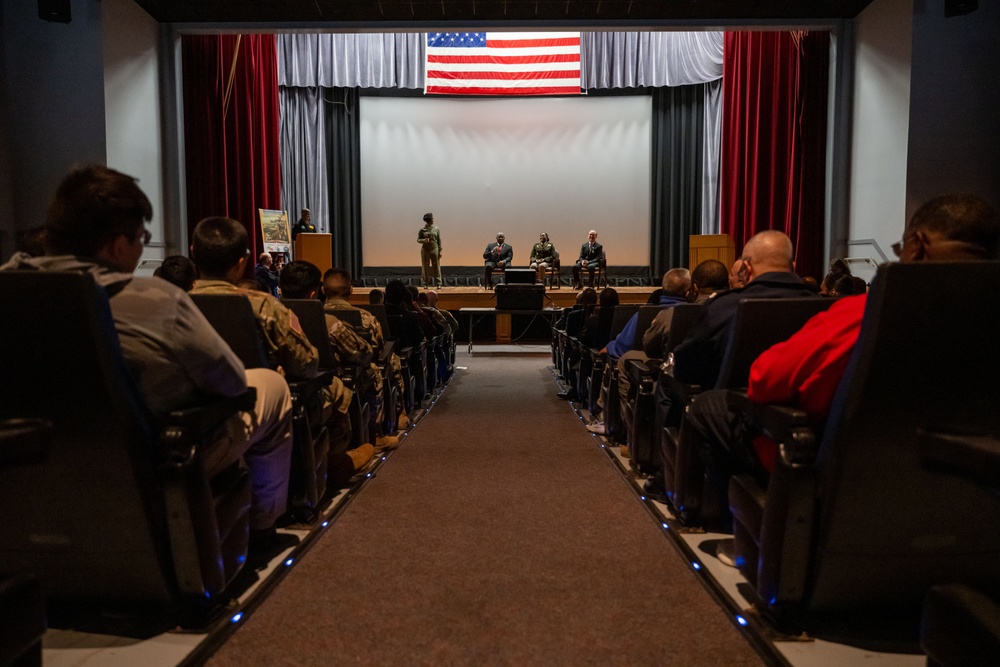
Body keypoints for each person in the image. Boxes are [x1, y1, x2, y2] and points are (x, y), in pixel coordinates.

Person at [680, 194, 1000, 565]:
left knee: (708, 407)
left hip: (827, 471)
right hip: (967, 499)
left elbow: (765, 381)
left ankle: (757, 541)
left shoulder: (865, 314)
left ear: (917, 246)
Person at [1, 164, 296, 558]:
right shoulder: (155, 302)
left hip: (29, 463)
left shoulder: (10, 294)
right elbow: (230, 384)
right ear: (115, 245)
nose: (142, 247)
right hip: (149, 462)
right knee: (270, 386)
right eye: (142, 237)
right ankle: (262, 529)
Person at [189, 216, 374, 474]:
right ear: (242, 262)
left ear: (193, 253)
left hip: (194, 418)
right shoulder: (261, 305)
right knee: (335, 389)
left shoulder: (172, 306)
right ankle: (333, 465)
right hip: (258, 408)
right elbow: (306, 363)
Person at [586, 269, 693, 435]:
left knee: (622, 360)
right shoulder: (699, 313)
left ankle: (621, 426)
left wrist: (610, 348)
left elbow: (623, 346)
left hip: (655, 370)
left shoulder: (647, 315)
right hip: (687, 374)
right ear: (689, 291)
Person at [323, 266, 408, 434]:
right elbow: (378, 350)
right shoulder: (366, 318)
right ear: (351, 290)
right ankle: (384, 426)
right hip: (357, 377)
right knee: (391, 360)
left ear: (322, 290)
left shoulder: (309, 317)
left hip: (323, 379)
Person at [642, 259, 730, 360]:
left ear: (695, 287)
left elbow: (649, 348)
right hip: (732, 374)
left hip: (681, 374)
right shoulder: (741, 310)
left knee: (626, 358)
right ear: (728, 283)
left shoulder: (672, 315)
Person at [417, 212, 442, 288]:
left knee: (436, 266)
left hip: (434, 249)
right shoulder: (422, 230)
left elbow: (439, 240)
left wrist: (440, 251)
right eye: (432, 219)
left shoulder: (436, 229)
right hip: (425, 250)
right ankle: (425, 283)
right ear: (429, 220)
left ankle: (438, 283)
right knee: (425, 267)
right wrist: (424, 240)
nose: (433, 220)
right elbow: (418, 239)